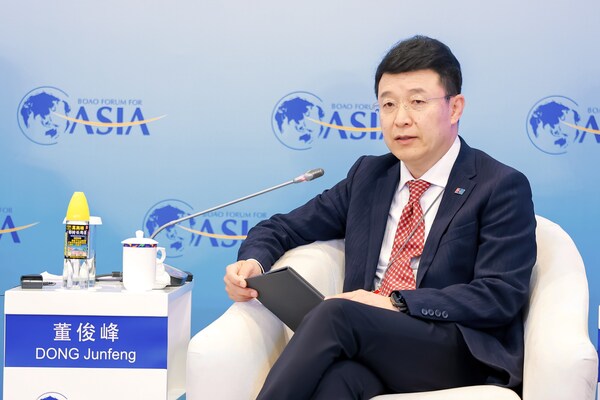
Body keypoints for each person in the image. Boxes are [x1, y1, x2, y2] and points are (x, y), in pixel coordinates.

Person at [224, 35, 536, 399]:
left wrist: (396, 303)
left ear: (455, 108)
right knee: (338, 381)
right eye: (388, 104)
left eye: (417, 102)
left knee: (336, 314)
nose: (401, 119)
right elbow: (280, 228)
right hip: (373, 345)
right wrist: (253, 263)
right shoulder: (369, 177)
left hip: (455, 351)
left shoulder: (499, 185)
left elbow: (499, 294)